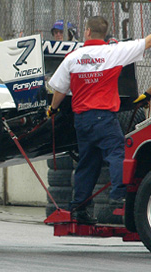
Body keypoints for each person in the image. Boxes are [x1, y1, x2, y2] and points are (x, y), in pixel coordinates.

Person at [47, 16, 151, 224]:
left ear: (87, 32)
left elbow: (58, 89)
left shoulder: (72, 58)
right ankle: (119, 197)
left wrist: (52, 109)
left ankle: (79, 209)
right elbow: (146, 42)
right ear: (104, 34)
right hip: (104, 117)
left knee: (88, 163)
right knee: (116, 152)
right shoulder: (113, 52)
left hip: (82, 120)